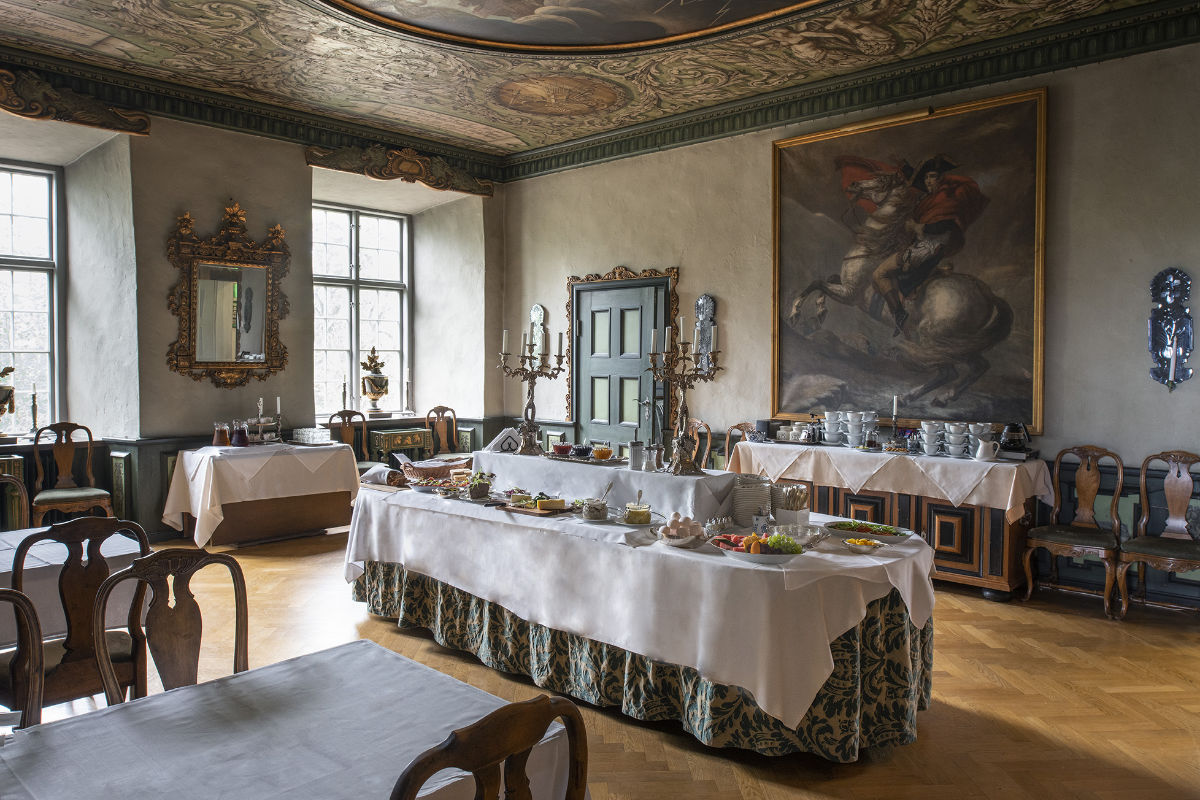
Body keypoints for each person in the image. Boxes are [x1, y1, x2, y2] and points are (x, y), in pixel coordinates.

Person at [871, 154, 989, 335]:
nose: (927, 181)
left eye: (932, 177)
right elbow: (917, 183)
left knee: (879, 273)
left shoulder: (946, 200)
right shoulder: (933, 197)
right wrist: (906, 169)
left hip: (927, 249)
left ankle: (899, 313)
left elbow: (946, 225)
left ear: (941, 179)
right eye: (926, 177)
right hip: (924, 246)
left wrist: (920, 226)